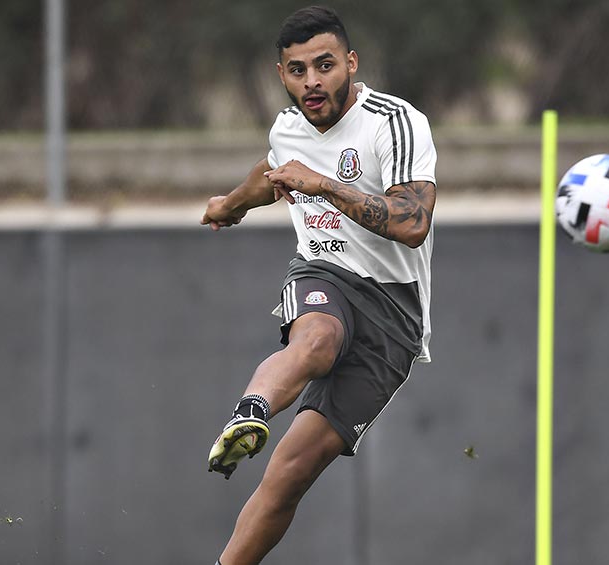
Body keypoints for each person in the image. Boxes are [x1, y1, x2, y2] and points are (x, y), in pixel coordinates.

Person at [200, 5, 436, 564]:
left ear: (350, 64)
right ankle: (252, 411)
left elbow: (411, 221)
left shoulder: (395, 123)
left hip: (393, 314)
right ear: (281, 74)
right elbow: (272, 171)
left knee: (290, 472)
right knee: (318, 338)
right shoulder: (287, 128)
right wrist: (230, 205)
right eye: (297, 70)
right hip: (323, 273)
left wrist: (325, 186)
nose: (312, 82)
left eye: (324, 66)